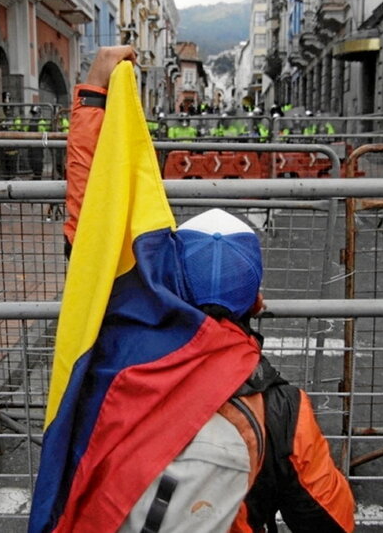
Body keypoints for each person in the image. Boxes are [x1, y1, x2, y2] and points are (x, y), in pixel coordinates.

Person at [59, 46, 355, 532]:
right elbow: (331, 523)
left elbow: (91, 226)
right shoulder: (282, 408)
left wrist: (95, 98)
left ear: (174, 278)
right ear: (256, 301)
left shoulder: (118, 346)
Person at [28, 105, 49, 180]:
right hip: (31, 144)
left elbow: (44, 133)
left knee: (38, 160)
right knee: (32, 160)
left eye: (35, 114)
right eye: (33, 114)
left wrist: (43, 144)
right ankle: (35, 174)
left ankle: (38, 176)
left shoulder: (41, 122)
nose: (34, 116)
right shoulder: (31, 121)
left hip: (38, 145)